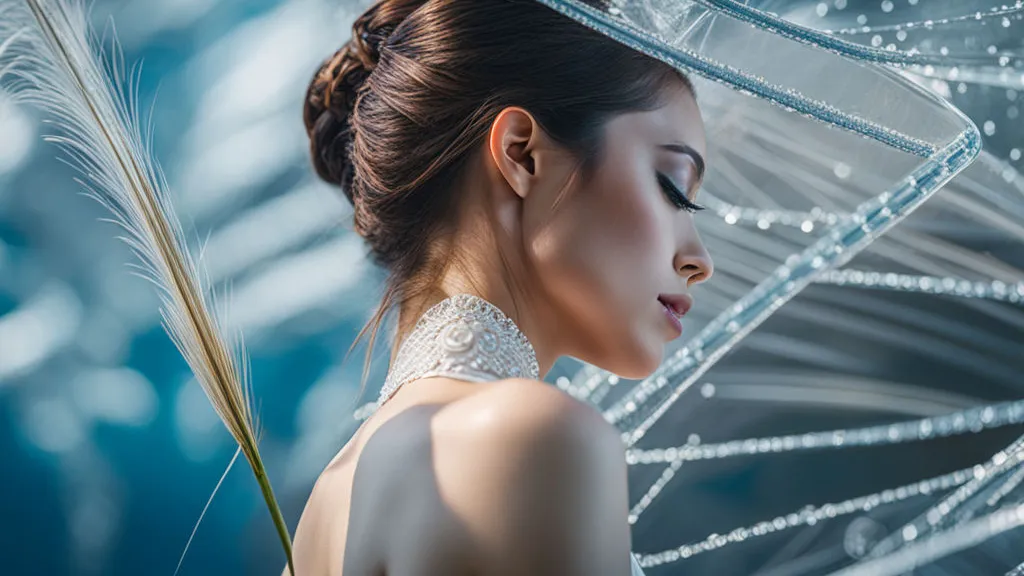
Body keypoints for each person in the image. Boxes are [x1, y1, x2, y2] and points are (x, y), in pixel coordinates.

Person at [291, 0, 713, 573]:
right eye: (674, 189)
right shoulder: (535, 440)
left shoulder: (324, 506)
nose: (699, 260)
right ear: (522, 155)